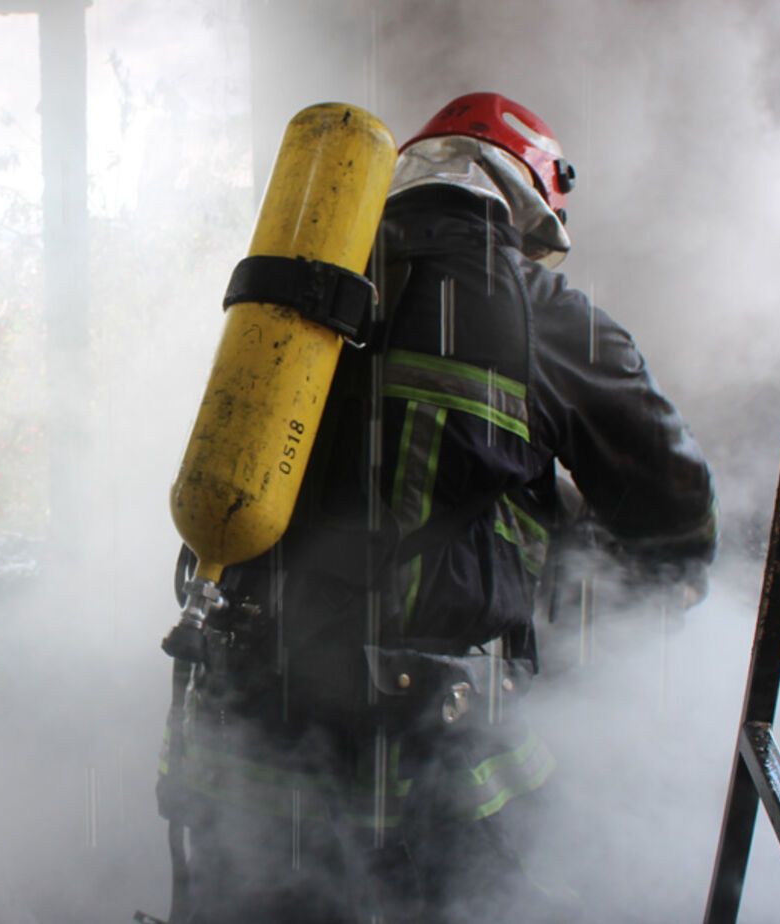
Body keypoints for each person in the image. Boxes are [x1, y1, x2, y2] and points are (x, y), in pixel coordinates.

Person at [157, 92, 717, 922]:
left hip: (238, 745)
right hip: (424, 763)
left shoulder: (297, 299)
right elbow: (671, 510)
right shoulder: (544, 311)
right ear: (527, 200)